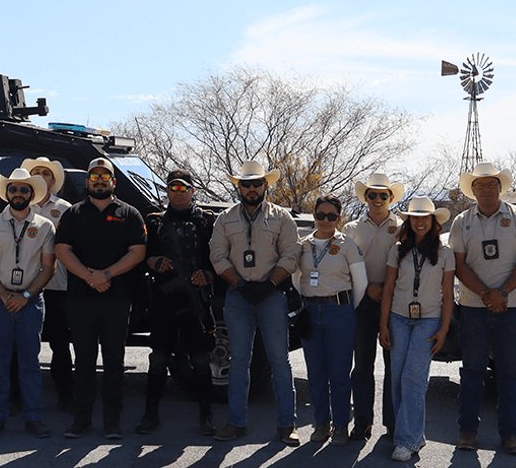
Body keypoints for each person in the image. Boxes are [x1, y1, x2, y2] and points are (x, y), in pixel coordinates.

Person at [449, 162, 516, 456]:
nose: (486, 189)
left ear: (500, 188)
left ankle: (510, 435)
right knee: (472, 371)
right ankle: (467, 432)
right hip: (474, 307)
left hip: (513, 307)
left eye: (491, 184)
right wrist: (486, 295)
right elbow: (459, 265)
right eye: (480, 185)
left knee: (511, 373)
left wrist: (502, 293)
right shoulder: (462, 221)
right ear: (472, 190)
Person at [208, 159, 301, 445]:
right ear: (239, 186)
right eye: (245, 184)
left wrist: (271, 283)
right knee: (239, 362)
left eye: (256, 183)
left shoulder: (282, 217)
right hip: (238, 295)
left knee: (279, 360)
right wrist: (238, 283)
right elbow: (217, 255)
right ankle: (236, 422)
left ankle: (287, 424)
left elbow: (291, 254)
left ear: (265, 185)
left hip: (271, 295)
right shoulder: (225, 218)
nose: (251, 189)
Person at [54, 157, 147, 440]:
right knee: (83, 360)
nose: (99, 181)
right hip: (81, 298)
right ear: (88, 182)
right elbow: (62, 249)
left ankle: (112, 423)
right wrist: (88, 277)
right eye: (94, 177)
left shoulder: (130, 213)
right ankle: (80, 420)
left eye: (104, 177)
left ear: (113, 182)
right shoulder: (73, 213)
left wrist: (105, 275)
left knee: (114, 362)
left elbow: (137, 252)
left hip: (117, 299)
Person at [0, 168, 57, 439]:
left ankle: (33, 417)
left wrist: (24, 297)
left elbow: (48, 268)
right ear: (7, 193)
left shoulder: (45, 225)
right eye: (13, 189)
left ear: (32, 194)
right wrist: (3, 295)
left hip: (30, 301)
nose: (18, 194)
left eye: (24, 190)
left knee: (30, 363)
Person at [139, 169, 217, 436]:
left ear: (192, 191)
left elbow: (217, 256)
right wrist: (154, 262)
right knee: (158, 359)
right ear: (167, 191)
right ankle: (150, 415)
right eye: (173, 188)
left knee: (200, 360)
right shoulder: (155, 221)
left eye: (183, 188)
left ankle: (206, 416)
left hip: (196, 299)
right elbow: (144, 254)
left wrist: (207, 275)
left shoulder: (207, 221)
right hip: (164, 299)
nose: (178, 192)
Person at [378, 196, 455, 462]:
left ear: (433, 221)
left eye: (424, 217)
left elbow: (447, 293)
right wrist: (383, 324)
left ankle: (405, 441)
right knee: (398, 375)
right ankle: (413, 434)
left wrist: (444, 329)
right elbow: (388, 288)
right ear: (408, 221)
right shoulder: (398, 249)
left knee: (414, 377)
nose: (420, 222)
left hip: (428, 319)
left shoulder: (445, 253)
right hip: (399, 317)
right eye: (415, 217)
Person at [294, 195, 366, 445]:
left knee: (339, 373)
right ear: (314, 216)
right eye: (321, 215)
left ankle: (341, 426)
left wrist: (346, 308)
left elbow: (361, 282)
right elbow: (295, 277)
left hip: (340, 313)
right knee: (315, 372)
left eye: (331, 216)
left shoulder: (346, 244)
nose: (325, 220)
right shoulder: (302, 245)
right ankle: (321, 424)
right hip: (311, 313)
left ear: (339, 218)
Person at [342, 171, 405, 441]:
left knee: (394, 366)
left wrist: (386, 289)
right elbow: (346, 263)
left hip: (394, 301)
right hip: (362, 300)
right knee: (363, 364)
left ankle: (392, 423)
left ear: (390, 197)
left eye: (383, 195)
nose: (377, 199)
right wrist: (369, 287)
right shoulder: (351, 228)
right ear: (365, 197)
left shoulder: (403, 226)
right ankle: (363, 422)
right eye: (372, 194)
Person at [22, 156, 75, 411]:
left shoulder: (65, 209)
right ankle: (18, 395)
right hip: (24, 285)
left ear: (54, 180)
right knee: (22, 342)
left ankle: (65, 393)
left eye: (46, 173)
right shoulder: (20, 206)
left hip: (57, 285)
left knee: (59, 342)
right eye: (36, 172)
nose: (42, 176)